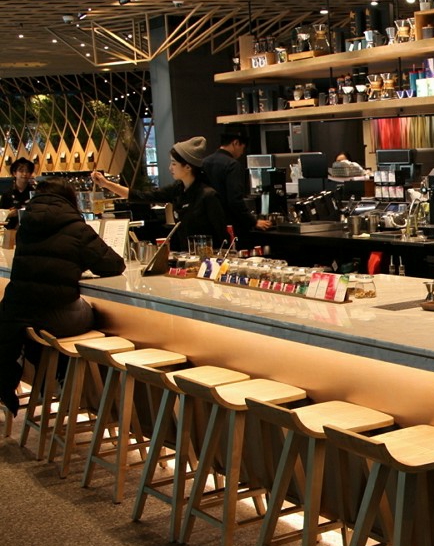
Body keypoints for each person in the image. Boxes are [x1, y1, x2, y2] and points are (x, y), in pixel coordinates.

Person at [0, 178, 126, 417]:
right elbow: (113, 264)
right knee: (92, 312)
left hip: (21, 313)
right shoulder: (76, 227)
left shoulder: (26, 225)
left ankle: (57, 384)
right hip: (54, 318)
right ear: (70, 200)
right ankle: (74, 390)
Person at [91, 136, 228, 252]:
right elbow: (141, 196)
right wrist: (106, 184)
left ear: (187, 167)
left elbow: (222, 236)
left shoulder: (208, 195)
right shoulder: (177, 189)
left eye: (174, 164)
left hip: (208, 260)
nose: (170, 168)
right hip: (186, 258)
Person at [203, 125, 271, 248]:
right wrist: (253, 221)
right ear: (235, 143)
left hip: (209, 225)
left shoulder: (205, 162)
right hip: (229, 226)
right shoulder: (232, 165)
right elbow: (235, 200)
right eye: (242, 148)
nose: (242, 152)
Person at [0, 156, 35, 229]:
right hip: (10, 230)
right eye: (21, 171)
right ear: (14, 173)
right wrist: (9, 214)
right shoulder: (7, 194)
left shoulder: (34, 193)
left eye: (27, 171)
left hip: (29, 229)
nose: (25, 174)